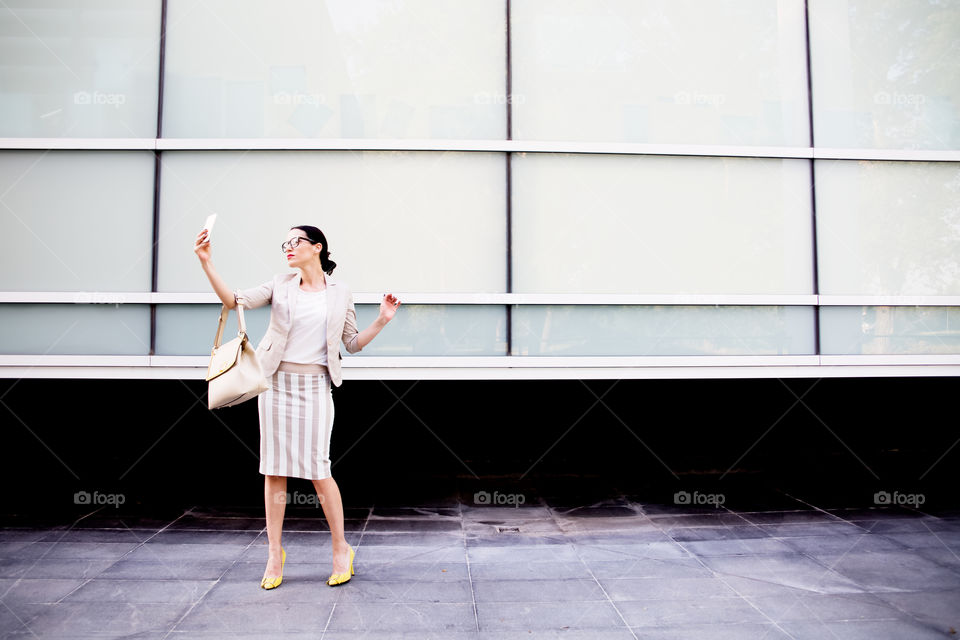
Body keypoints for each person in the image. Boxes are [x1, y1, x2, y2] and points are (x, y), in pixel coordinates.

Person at [194, 224, 400, 589]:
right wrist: (206, 262)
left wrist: (382, 320)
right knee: (274, 470)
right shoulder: (280, 284)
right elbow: (233, 301)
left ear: (317, 247)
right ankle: (274, 553)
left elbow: (352, 343)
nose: (288, 248)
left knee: (319, 470)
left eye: (296, 241)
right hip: (275, 385)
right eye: (285, 244)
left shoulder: (340, 292)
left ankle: (341, 548)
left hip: (316, 386)